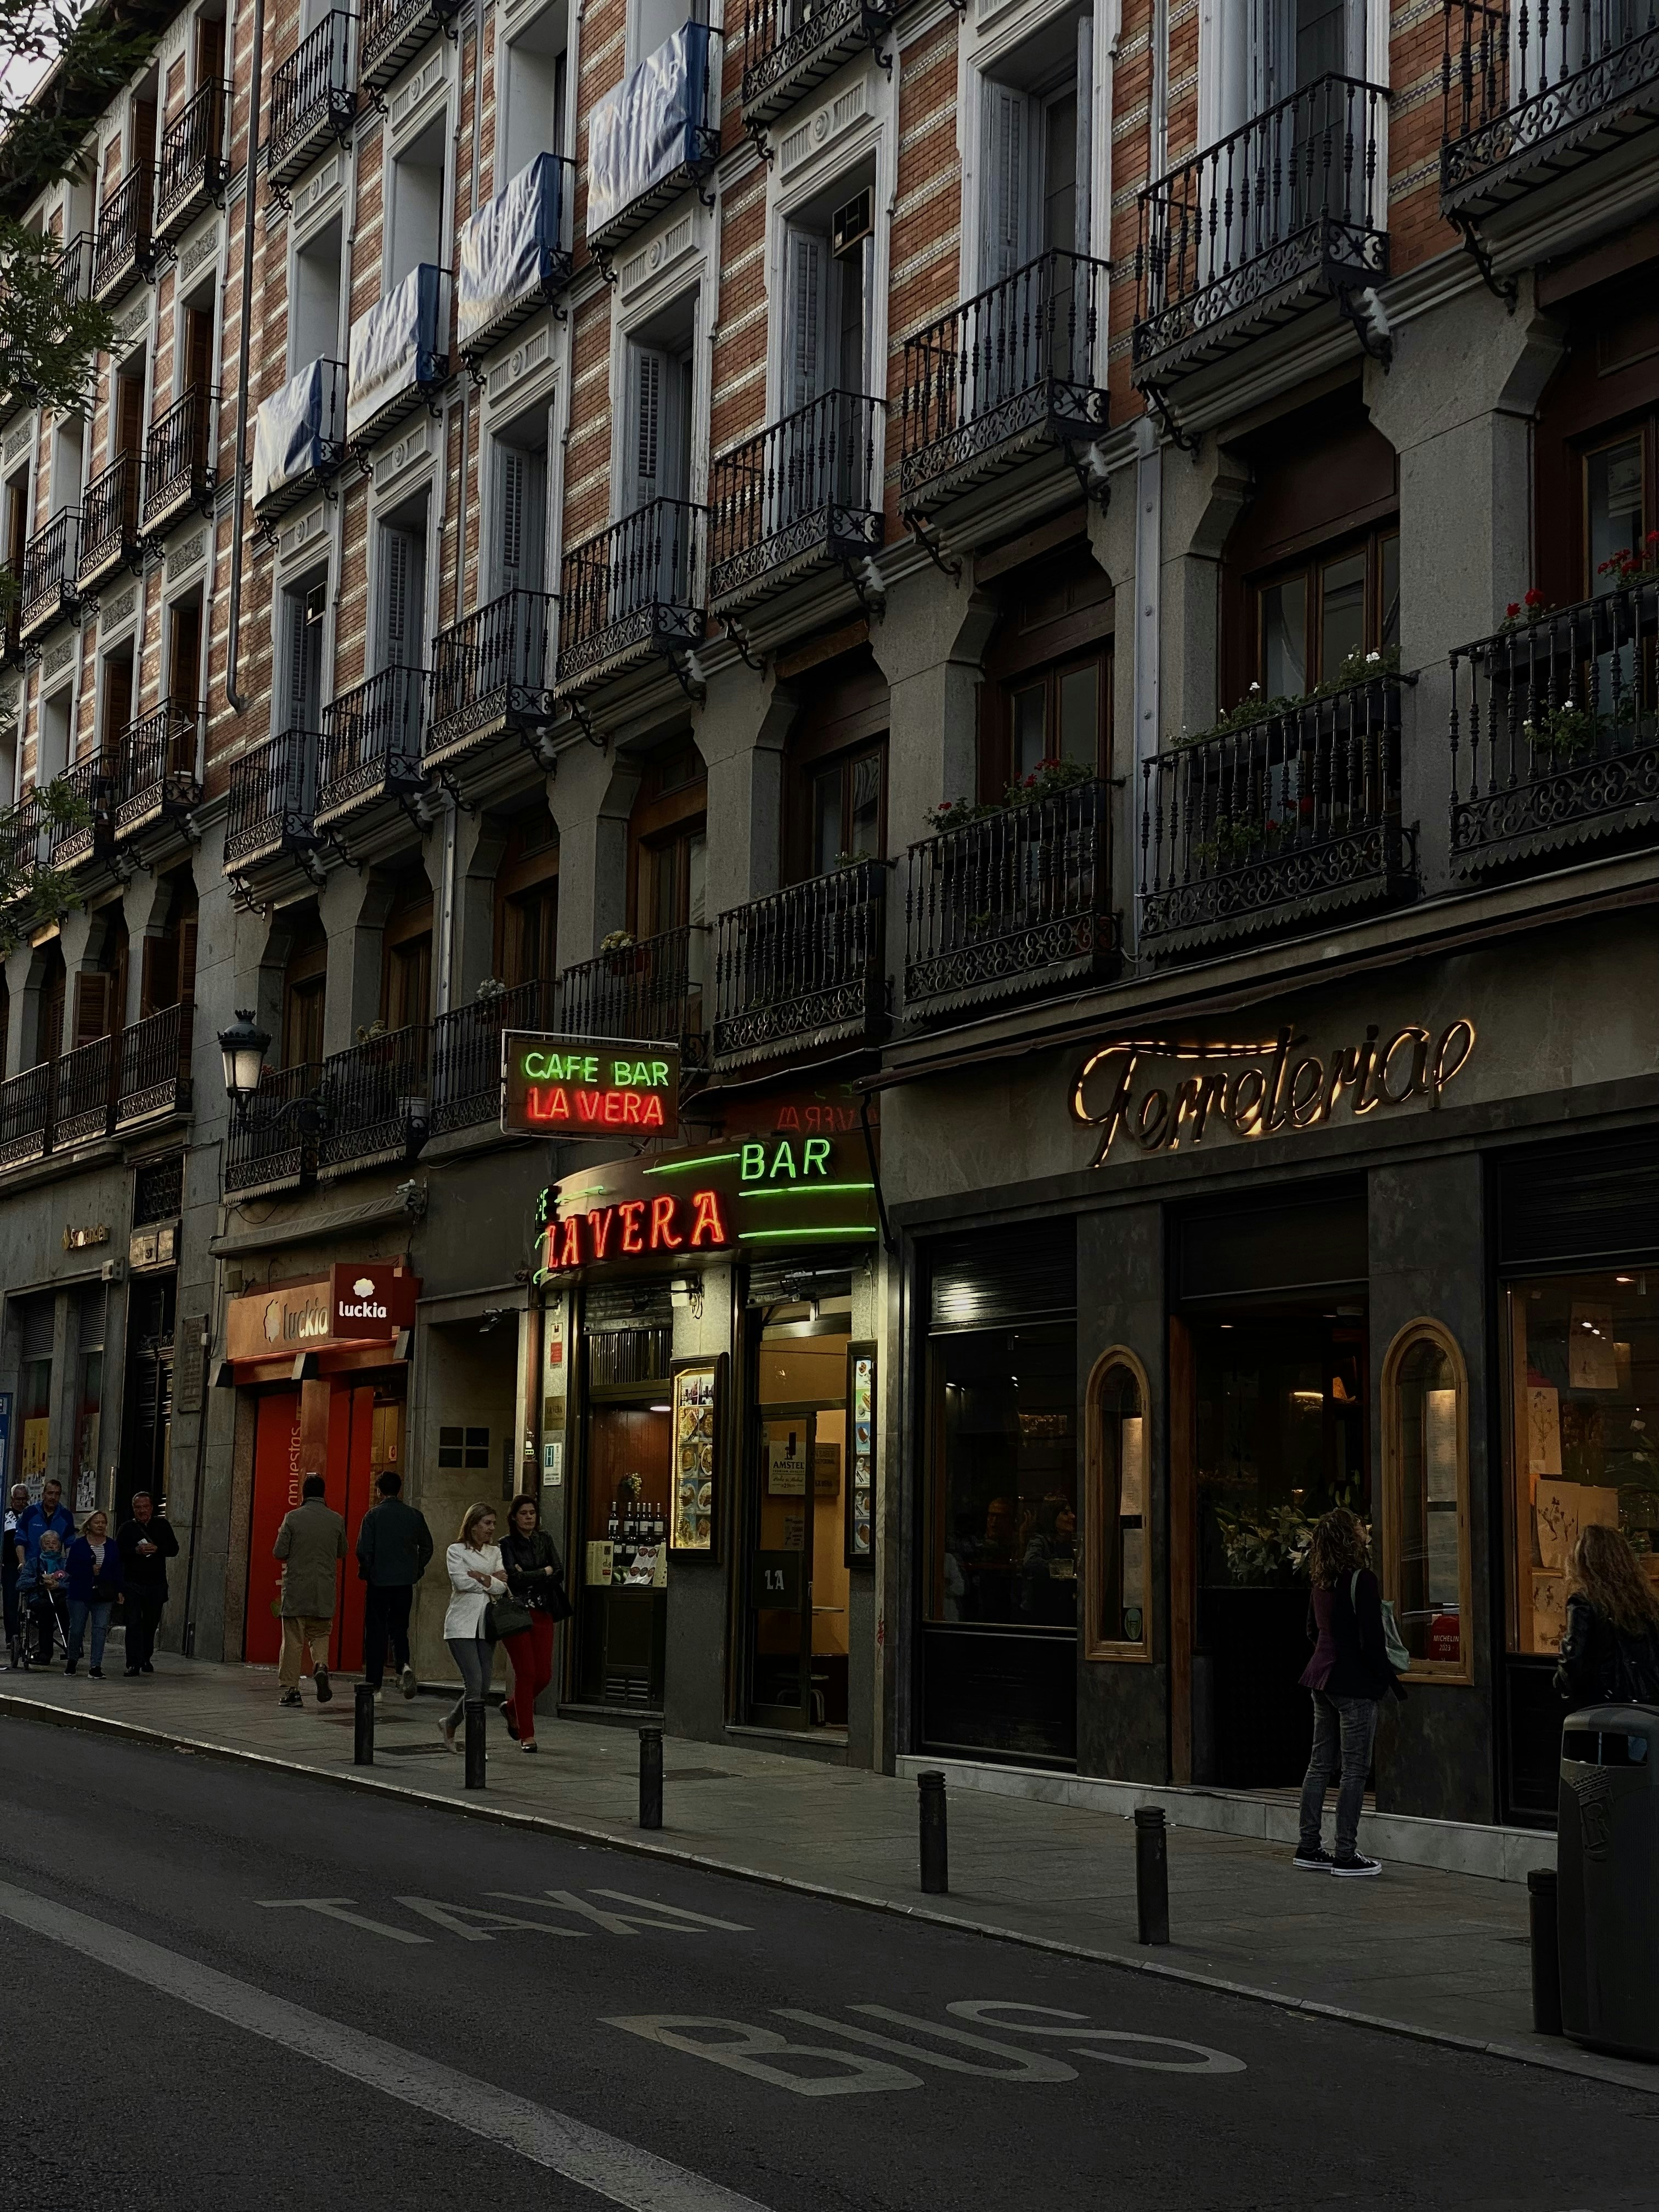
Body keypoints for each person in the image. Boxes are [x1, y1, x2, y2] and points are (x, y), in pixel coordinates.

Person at [1294, 1506, 1403, 1878]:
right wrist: (1383, 1680)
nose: (1364, 1532)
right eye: (1358, 1528)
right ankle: (1345, 1853)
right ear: (1350, 1538)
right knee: (1355, 1770)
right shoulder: (1362, 1580)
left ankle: (1309, 1846)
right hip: (1354, 1684)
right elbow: (1372, 1641)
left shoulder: (1320, 1581)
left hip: (1321, 1678)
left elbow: (1312, 1630)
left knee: (1319, 1764)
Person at [1555, 1522, 1659, 1706]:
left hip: (1605, 1705)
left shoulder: (1583, 1600)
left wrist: (1560, 1683)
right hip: (1648, 1703)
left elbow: (1573, 1661)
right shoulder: (1645, 1600)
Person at [497, 1493, 569, 1753]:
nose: (529, 1518)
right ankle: (527, 1735)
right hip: (517, 1614)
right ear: (514, 1517)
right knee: (527, 1674)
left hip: (544, 1610)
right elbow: (513, 1579)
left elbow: (558, 1572)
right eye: (523, 1513)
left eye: (532, 1513)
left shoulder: (545, 1539)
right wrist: (543, 1572)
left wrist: (529, 1574)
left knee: (544, 1676)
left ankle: (511, 1708)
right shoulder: (506, 1544)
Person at [356, 1469, 434, 1699]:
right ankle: (404, 1665)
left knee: (376, 1632)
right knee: (400, 1627)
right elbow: (427, 1547)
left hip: (379, 1583)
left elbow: (363, 1550)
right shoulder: (414, 1515)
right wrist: (416, 1570)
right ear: (399, 1490)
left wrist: (369, 1572)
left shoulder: (373, 1516)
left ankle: (375, 1686)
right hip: (404, 1583)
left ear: (379, 1491)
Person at [273, 1473, 346, 1709]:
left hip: (297, 1590)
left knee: (293, 1640)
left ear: (303, 1493)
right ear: (323, 1494)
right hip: (323, 1590)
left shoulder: (292, 1518)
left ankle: (292, 1691)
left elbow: (279, 1551)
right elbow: (343, 1551)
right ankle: (321, 1666)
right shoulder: (336, 1520)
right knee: (321, 1634)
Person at [441, 1502, 506, 1754]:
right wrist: (490, 1580)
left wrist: (480, 1576)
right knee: (474, 1684)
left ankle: (450, 1722)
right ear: (473, 1524)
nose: (491, 1528)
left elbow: (503, 1586)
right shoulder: (456, 1550)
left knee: (484, 1686)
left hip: (487, 1626)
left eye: (493, 1524)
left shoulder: (495, 1552)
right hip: (461, 1625)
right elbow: (460, 1582)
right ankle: (475, 1744)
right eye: (487, 1523)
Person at [115, 1491, 180, 1676]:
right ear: (133, 1509)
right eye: (138, 1507)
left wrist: (158, 1549)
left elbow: (174, 1549)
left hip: (155, 1583)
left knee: (151, 1623)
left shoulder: (162, 1525)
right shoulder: (127, 1528)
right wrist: (136, 1551)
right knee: (133, 1622)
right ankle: (133, 1663)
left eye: (145, 1507)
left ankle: (146, 1657)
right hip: (133, 1583)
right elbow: (118, 1553)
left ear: (151, 1508)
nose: (142, 1510)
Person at [64, 1510, 123, 1678]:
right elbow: (70, 1567)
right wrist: (88, 1570)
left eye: (103, 1522)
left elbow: (118, 1569)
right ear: (89, 1525)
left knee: (100, 1628)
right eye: (97, 1522)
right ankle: (72, 1660)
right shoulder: (79, 1544)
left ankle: (96, 1666)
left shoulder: (112, 1545)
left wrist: (120, 1590)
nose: (100, 1525)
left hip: (104, 1593)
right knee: (77, 1629)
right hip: (80, 1592)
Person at [20, 1528, 70, 1664]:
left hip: (61, 1596)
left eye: (54, 1543)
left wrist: (59, 1585)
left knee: (67, 1605)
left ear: (60, 1545)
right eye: (47, 1543)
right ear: (42, 1546)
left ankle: (71, 1648)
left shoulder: (66, 1564)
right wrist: (40, 1580)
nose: (51, 1546)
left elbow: (75, 1583)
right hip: (39, 1598)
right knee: (46, 1608)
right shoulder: (34, 1563)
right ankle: (45, 1653)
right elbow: (20, 1584)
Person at [15, 1478, 74, 1572]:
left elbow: (70, 1543)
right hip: (31, 1567)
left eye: (57, 1494)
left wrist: (69, 1564)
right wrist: (22, 1563)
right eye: (50, 1493)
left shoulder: (66, 1516)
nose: (53, 1497)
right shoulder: (30, 1512)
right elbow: (20, 1540)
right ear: (43, 1495)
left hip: (55, 1569)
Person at [3, 1481, 27, 1667]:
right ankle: (12, 1636)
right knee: (11, 1600)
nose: (21, 1502)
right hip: (10, 1564)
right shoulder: (5, 1516)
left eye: (23, 1499)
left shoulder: (31, 1515)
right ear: (12, 1499)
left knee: (28, 1601)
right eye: (18, 1499)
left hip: (28, 1563)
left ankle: (26, 1634)